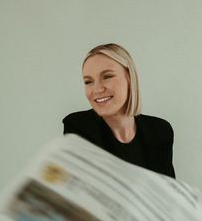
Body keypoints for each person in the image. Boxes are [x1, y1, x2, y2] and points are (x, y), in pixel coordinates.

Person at [63, 43, 175, 178]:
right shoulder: (78, 126)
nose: (97, 89)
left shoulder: (159, 131)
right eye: (88, 82)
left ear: (129, 77)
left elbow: (168, 192)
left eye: (107, 76)